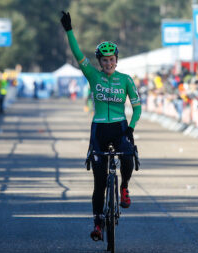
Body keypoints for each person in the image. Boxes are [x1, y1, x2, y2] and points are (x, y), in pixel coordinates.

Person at [60, 11, 142, 241]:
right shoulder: (93, 76)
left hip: (120, 127)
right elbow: (77, 54)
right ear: (100, 62)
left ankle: (124, 186)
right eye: (104, 60)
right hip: (99, 128)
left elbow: (137, 107)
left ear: (117, 60)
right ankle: (98, 223)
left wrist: (132, 127)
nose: (108, 63)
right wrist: (69, 31)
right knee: (98, 182)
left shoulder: (126, 79)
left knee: (127, 158)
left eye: (111, 59)